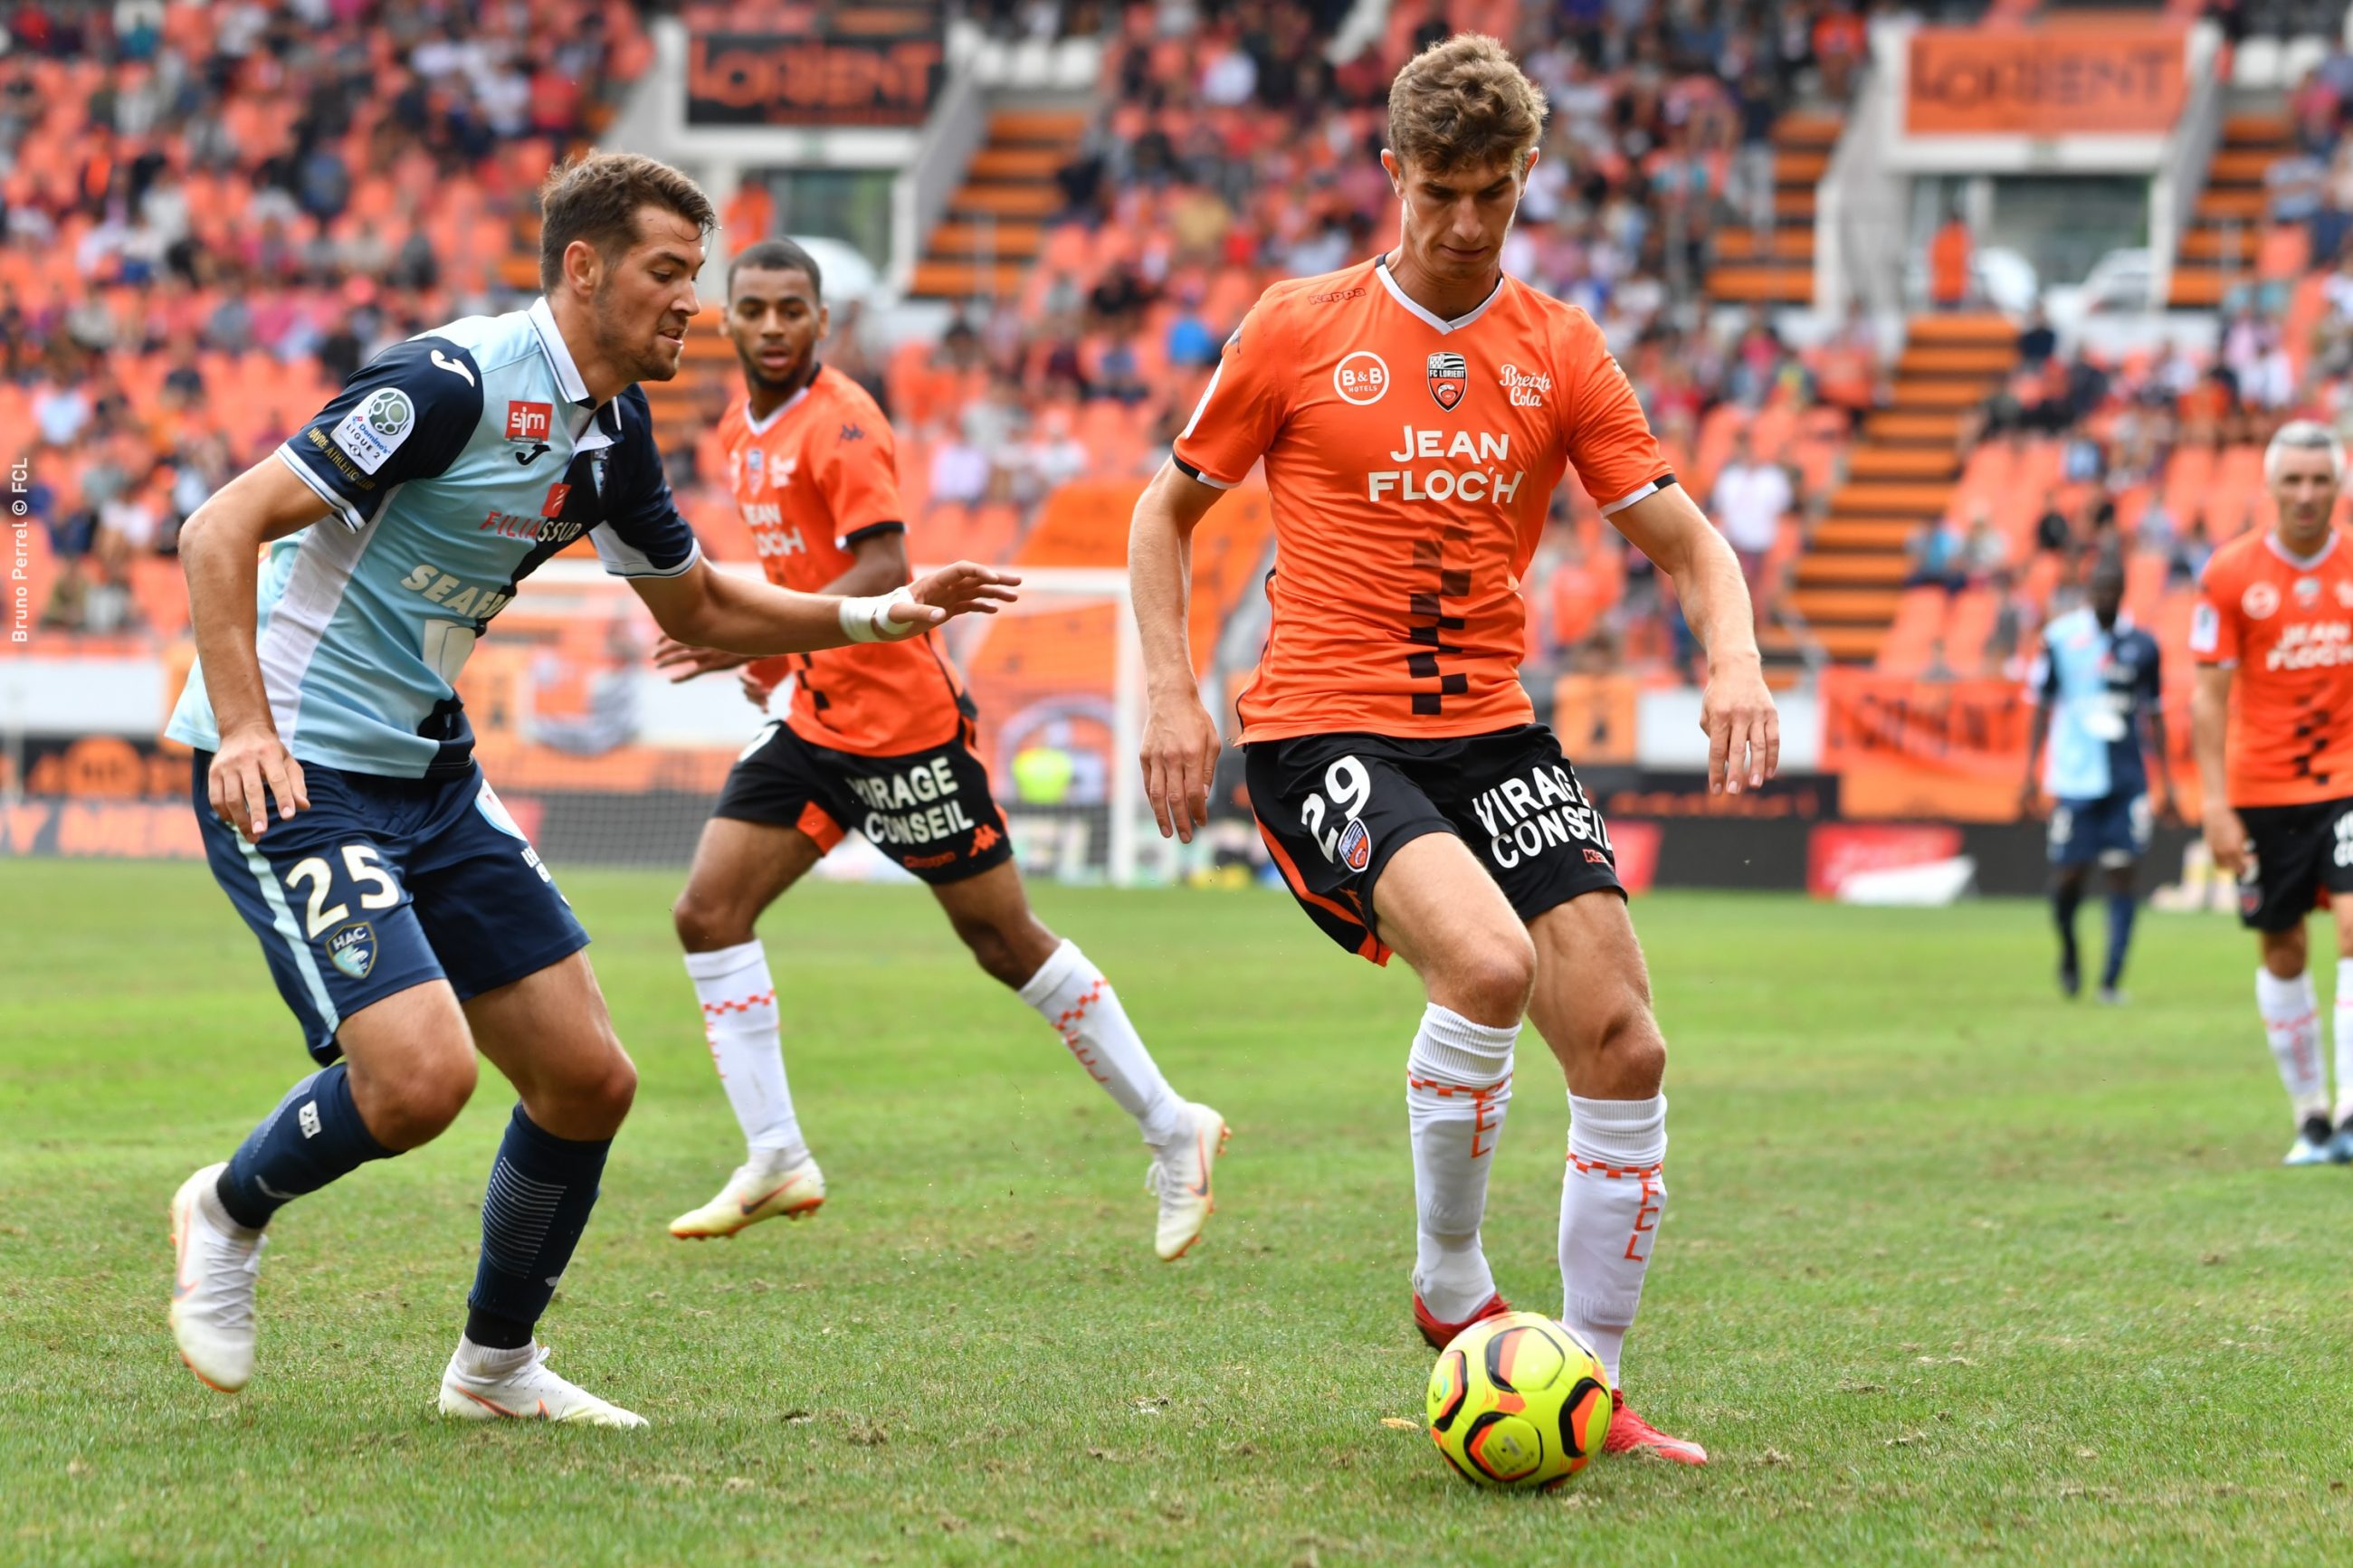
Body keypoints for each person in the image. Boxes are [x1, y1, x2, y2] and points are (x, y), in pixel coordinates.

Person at [160, 155, 1015, 1424]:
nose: (692, 305)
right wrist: (241, 730)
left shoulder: (612, 433)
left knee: (587, 1081)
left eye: (695, 276)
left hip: (429, 770)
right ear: (583, 269)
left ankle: (494, 1370)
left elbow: (706, 602)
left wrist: (885, 606)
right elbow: (220, 527)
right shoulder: (449, 383)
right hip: (294, 766)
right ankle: (225, 1210)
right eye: (668, 274)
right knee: (417, 1084)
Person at [1128, 33, 1778, 1467]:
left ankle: (1587, 1391)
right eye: (1440, 191)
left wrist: (1733, 655)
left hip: (1493, 728)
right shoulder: (1297, 327)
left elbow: (1687, 541)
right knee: (1485, 966)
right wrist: (1174, 697)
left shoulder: (1558, 347)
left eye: (1494, 191)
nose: (1467, 222)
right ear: (1392, 176)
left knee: (1625, 1042)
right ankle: (1449, 1288)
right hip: (1319, 727)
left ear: (1527, 177)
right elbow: (1162, 515)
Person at [652, 239, 1225, 1259]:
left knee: (1002, 942)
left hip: (904, 726)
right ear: (725, 321)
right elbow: (813, 568)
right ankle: (776, 1151)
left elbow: (882, 564)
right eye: (755, 309)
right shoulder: (740, 427)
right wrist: (777, 664)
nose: (774, 325)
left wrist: (757, 634)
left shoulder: (844, 421)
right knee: (707, 910)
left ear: (823, 321)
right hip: (818, 715)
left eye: (793, 309)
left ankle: (1173, 1124)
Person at [2192, 422, 2353, 1165]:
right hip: (2263, 788)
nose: (2307, 495)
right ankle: (2311, 1113)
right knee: (2284, 950)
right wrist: (2216, 803)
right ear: (2270, 487)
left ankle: (2351, 1108)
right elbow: (2208, 697)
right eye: (2294, 480)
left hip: (2348, 776)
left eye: (2321, 480)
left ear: (2339, 487)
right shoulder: (2229, 575)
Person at [2020, 555, 2174, 1003]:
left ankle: (2110, 980)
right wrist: (2030, 773)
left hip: (2128, 779)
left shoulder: (2145, 645)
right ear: (2089, 590)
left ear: (2124, 590)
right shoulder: (2061, 638)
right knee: (2068, 877)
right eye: (2099, 587)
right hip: (2074, 778)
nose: (2106, 595)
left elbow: (2156, 714)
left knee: (2123, 874)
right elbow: (2042, 705)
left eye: (2113, 588)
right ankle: (2069, 949)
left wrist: (2168, 783)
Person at [1708, 429, 1791, 591]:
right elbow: (1721, 509)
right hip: (1735, 541)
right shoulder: (1729, 477)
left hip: (1765, 541)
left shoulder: (1773, 477)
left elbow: (1782, 510)